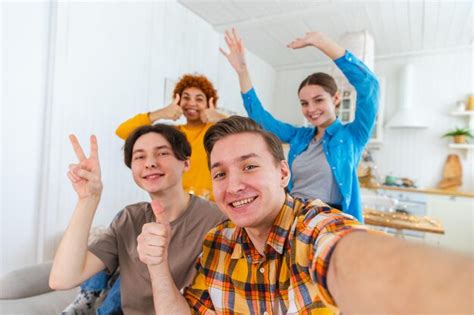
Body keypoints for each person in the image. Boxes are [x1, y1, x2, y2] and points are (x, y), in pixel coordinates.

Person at [137, 116, 473, 314]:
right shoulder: (218, 243)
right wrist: (156, 265)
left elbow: (349, 255)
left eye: (250, 166)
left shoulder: (311, 227)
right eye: (220, 174)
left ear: (283, 174)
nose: (233, 185)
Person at [49, 124, 226, 314]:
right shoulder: (129, 219)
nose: (150, 163)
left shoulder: (217, 220)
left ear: (186, 163)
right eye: (140, 157)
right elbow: (61, 279)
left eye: (162, 153)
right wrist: (88, 200)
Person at [220, 29, 380, 222]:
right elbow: (261, 119)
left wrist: (322, 42)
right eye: (304, 103)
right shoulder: (300, 137)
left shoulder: (352, 136)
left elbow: (369, 85)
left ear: (336, 98)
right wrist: (242, 72)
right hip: (292, 216)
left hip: (329, 221)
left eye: (318, 100)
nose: (311, 108)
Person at [115, 74, 226, 200]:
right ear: (178, 102)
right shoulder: (172, 135)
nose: (192, 103)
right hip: (178, 206)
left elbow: (248, 133)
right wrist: (161, 113)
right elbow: (122, 131)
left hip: (212, 208)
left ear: (209, 104)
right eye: (186, 98)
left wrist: (220, 118)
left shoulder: (219, 133)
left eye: (199, 99)